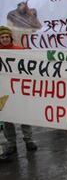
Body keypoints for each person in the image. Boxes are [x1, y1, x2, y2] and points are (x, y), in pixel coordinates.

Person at [0, 26, 38, 162]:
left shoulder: (19, 51)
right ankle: (12, 144)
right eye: (2, 37)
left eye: (6, 37)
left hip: (19, 90)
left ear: (10, 37)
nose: (4, 39)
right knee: (7, 119)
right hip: (3, 91)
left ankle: (29, 140)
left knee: (24, 116)